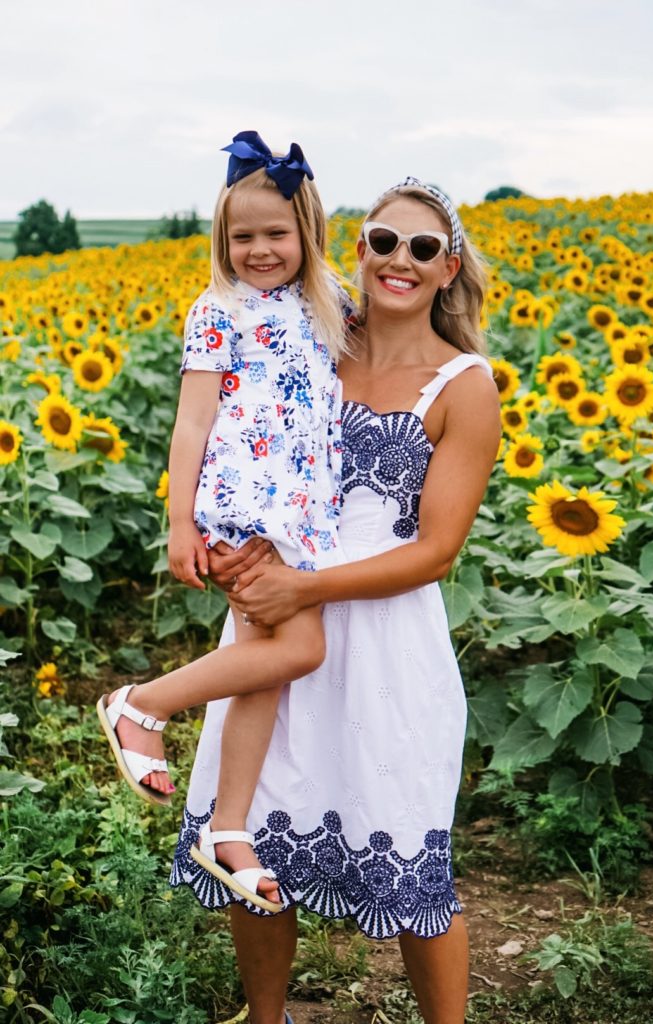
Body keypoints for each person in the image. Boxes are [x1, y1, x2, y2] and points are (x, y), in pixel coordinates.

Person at [171, 177, 501, 1024]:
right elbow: (228, 427)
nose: (400, 260)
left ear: (447, 267)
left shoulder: (464, 384)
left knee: (412, 856)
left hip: (386, 644)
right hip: (277, 614)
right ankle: (268, 1017)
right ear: (355, 245)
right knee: (255, 841)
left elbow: (435, 551)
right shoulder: (308, 330)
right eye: (384, 241)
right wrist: (220, 532)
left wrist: (301, 583)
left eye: (423, 248)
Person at [97, 131, 356, 913]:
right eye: (242, 236)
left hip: (304, 517)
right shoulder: (217, 311)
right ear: (223, 241)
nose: (259, 249)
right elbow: (192, 421)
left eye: (275, 233)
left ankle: (227, 829)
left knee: (266, 668)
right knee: (300, 648)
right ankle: (141, 704)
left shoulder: (333, 303)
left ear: (306, 230)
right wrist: (181, 523)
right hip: (248, 511)